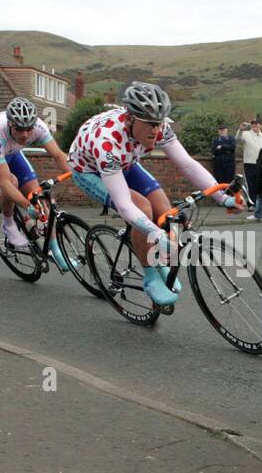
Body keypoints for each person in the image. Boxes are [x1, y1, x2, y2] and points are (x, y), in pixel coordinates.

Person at [66, 82, 239, 306]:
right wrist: (156, 235)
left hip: (125, 162)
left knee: (166, 212)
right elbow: (125, 204)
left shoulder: (160, 128)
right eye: (149, 124)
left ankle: (156, 259)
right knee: (142, 209)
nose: (155, 130)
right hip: (89, 170)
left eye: (158, 123)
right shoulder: (107, 141)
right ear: (131, 118)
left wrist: (222, 197)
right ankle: (150, 276)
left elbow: (187, 164)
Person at [0, 97, 72, 266]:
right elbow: (5, 182)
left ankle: (56, 251)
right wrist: (27, 206)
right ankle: (8, 223)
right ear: (9, 124)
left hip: (11, 152)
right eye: (19, 129)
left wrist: (76, 173)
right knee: (12, 181)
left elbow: (59, 155)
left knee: (37, 195)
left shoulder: (39, 127)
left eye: (28, 129)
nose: (25, 135)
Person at [241, 119, 262, 209]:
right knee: (250, 185)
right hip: (249, 163)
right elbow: (238, 140)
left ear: (260, 125)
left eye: (256, 124)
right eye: (253, 124)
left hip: (261, 164)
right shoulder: (245, 134)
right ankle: (251, 204)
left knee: (260, 184)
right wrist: (241, 130)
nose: (254, 125)